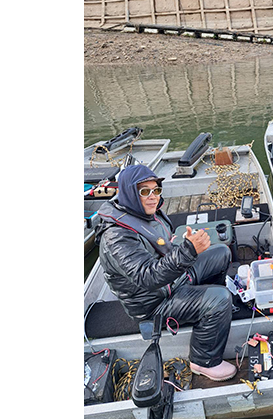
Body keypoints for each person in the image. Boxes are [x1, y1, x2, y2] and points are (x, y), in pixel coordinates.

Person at [95, 164, 237, 382]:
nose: (153, 197)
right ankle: (204, 361)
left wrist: (186, 247)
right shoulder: (116, 237)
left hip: (173, 280)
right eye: (145, 192)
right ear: (130, 194)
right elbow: (147, 277)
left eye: (156, 190)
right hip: (154, 304)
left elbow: (164, 247)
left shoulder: (145, 213)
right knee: (219, 299)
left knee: (221, 252)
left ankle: (209, 310)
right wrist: (189, 250)